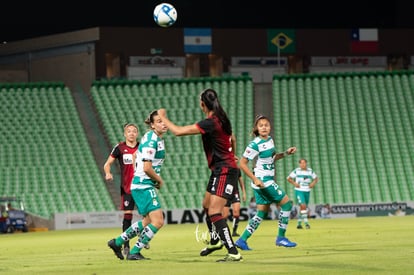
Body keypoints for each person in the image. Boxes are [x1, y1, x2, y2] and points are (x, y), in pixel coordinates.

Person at [158, 88, 242, 262]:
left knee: (214, 212)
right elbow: (232, 138)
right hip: (220, 169)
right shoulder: (222, 119)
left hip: (224, 170)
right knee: (206, 205)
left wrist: (163, 117)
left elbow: (179, 131)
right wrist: (231, 152)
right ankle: (214, 240)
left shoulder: (211, 122)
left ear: (203, 104)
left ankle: (233, 251)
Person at [107, 110, 168, 260]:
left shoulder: (152, 137)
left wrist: (137, 171)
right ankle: (134, 251)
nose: (164, 123)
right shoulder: (151, 140)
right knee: (158, 221)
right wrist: (159, 180)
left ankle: (117, 242)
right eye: (159, 121)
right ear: (153, 125)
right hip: (143, 185)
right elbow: (147, 168)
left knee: (147, 221)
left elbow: (136, 156)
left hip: (141, 183)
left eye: (164, 120)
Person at [234, 114, 298, 251]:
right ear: (256, 128)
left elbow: (272, 158)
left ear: (270, 127)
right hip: (263, 181)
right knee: (287, 204)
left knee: (261, 213)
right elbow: (242, 163)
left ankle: (242, 240)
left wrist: (286, 153)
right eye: (261, 125)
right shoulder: (255, 144)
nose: (264, 127)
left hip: (264, 181)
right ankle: (281, 238)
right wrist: (255, 179)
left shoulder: (270, 140)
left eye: (266, 125)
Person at [103, 123, 140, 256]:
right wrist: (108, 173)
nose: (131, 133)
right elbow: (107, 164)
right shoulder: (119, 147)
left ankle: (143, 239)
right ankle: (126, 245)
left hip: (141, 186)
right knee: (128, 216)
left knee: (148, 215)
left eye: (134, 131)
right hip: (127, 188)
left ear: (137, 134)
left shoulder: (142, 147)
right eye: (128, 131)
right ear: (125, 134)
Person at [287, 158, 319, 229]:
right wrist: (295, 183)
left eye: (304, 163)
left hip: (307, 190)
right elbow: (288, 178)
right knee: (303, 205)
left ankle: (299, 223)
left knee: (303, 207)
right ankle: (306, 223)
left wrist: (312, 184)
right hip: (299, 190)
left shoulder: (310, 171)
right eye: (301, 163)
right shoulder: (297, 171)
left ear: (306, 163)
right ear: (299, 164)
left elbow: (316, 178)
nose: (302, 164)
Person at [222, 168, 247, 237]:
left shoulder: (238, 170)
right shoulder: (225, 169)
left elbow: (241, 182)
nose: (236, 160)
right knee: (225, 215)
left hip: (235, 193)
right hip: (226, 194)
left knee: (236, 212)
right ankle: (224, 232)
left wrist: (244, 193)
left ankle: (234, 232)